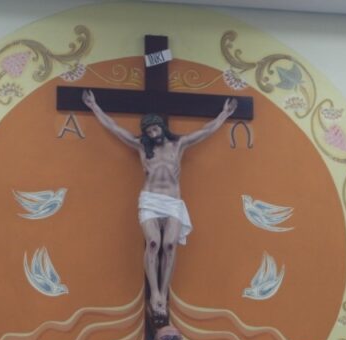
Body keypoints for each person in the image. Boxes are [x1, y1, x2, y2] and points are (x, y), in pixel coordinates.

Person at [82, 90, 238, 318]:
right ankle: (154, 292)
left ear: (162, 127)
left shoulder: (179, 145)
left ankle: (163, 292)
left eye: (154, 129)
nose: (152, 133)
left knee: (170, 246)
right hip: (150, 200)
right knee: (154, 243)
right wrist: (94, 106)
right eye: (148, 131)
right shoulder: (141, 147)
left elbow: (205, 132)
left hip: (173, 202)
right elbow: (115, 129)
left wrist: (224, 114)